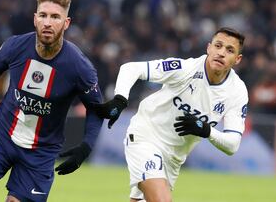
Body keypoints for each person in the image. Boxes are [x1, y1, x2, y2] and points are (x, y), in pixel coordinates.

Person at [0, 0, 103, 201]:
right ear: (35, 19)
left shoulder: (80, 67)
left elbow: (96, 108)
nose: (47, 22)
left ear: (66, 23)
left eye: (55, 17)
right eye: (43, 15)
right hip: (3, 135)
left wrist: (86, 147)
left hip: (41, 151)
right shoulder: (15, 46)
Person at [93, 27, 248, 202]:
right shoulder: (185, 69)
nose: (221, 53)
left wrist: (206, 130)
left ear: (237, 59)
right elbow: (130, 69)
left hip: (174, 159)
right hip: (146, 137)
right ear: (208, 48)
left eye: (229, 50)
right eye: (218, 46)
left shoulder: (237, 91)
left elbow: (233, 145)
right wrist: (120, 99)